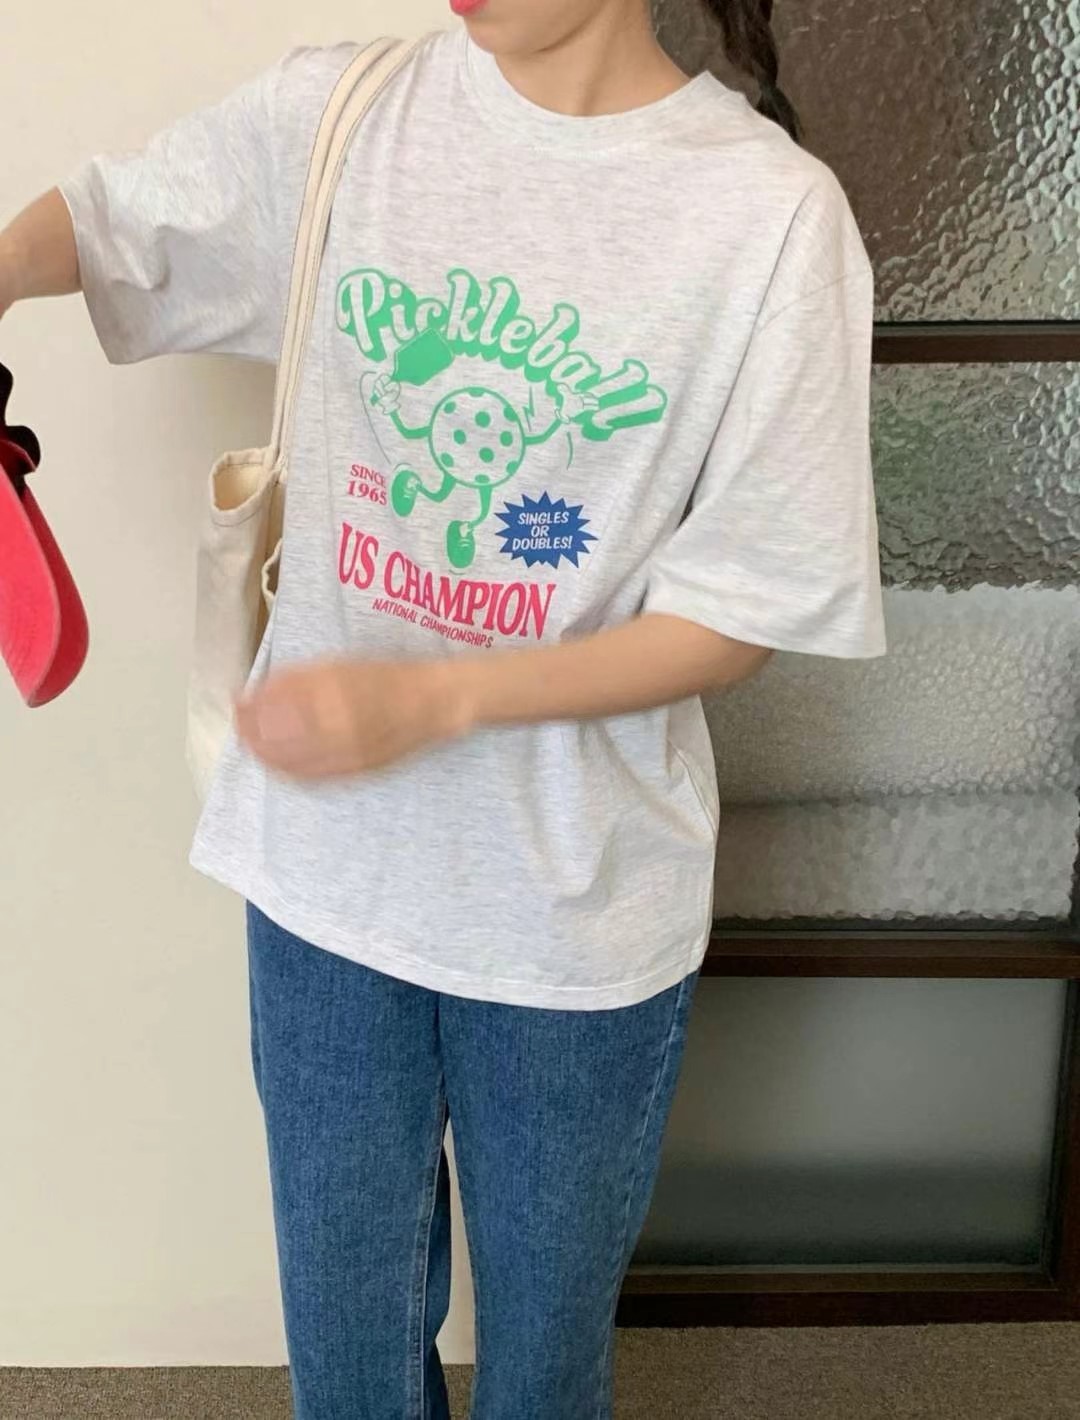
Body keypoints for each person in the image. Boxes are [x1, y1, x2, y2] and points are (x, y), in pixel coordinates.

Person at [0, 0, 885, 1415]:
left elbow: (743, 613)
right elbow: (111, 223)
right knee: (349, 1371)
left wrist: (441, 697)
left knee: (544, 1372)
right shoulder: (347, 113)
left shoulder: (768, 219)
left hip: (578, 908)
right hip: (324, 885)